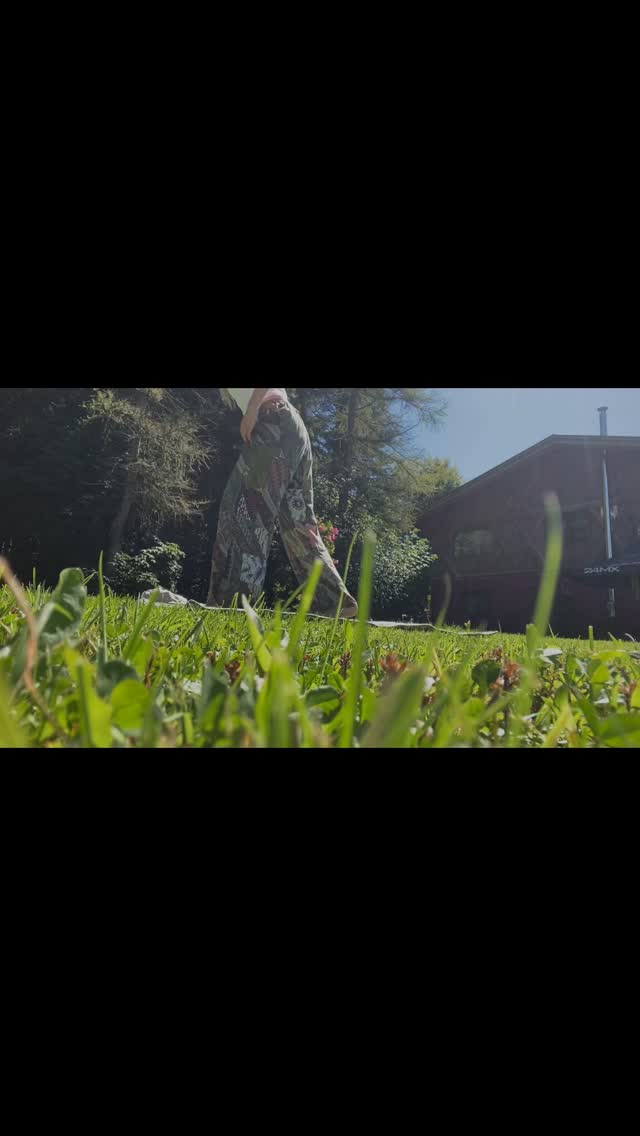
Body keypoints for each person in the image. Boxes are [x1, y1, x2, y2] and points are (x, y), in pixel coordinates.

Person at [207, 388, 358, 617]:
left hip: (274, 422)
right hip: (291, 428)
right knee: (298, 524)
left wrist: (251, 409)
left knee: (244, 507)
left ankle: (235, 604)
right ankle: (333, 601)